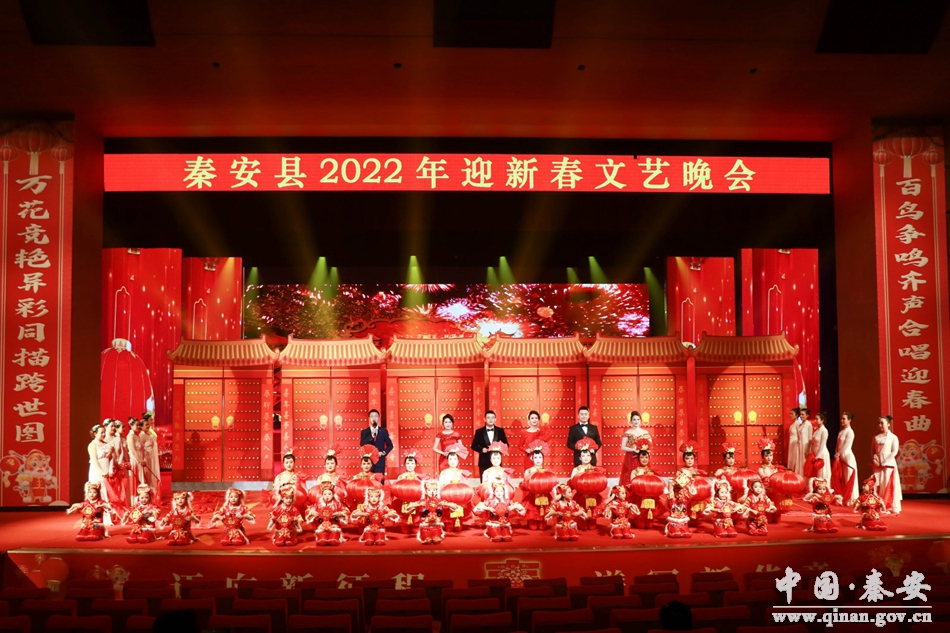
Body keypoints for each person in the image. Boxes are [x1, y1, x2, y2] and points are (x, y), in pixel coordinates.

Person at [407, 479, 460, 545]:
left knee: (436, 538)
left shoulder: (440, 501)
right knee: (427, 538)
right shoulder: (422, 501)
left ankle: (436, 536)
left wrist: (446, 504)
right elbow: (408, 508)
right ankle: (426, 536)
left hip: (437, 526)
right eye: (429, 490)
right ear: (425, 491)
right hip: (425, 526)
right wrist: (418, 504)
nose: (432, 492)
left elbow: (455, 507)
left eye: (434, 490)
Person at [569, 439, 606, 530]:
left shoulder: (595, 469)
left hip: (593, 496)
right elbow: (572, 483)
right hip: (581, 496)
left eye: (588, 455)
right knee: (583, 526)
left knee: (592, 526)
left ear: (591, 457)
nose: (586, 458)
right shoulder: (576, 470)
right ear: (580, 458)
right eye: (583, 456)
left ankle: (592, 520)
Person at [520, 440, 557, 531]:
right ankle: (532, 520)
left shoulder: (547, 471)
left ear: (543, 458)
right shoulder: (528, 471)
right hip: (532, 497)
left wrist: (555, 497)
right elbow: (524, 485)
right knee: (533, 527)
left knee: (542, 527)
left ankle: (542, 520)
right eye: (535, 457)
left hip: (544, 497)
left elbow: (552, 485)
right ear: (532, 458)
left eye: (540, 457)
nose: (538, 459)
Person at [873, 415, 902, 514]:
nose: (880, 425)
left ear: (888, 424)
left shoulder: (893, 437)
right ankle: (880, 505)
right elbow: (873, 451)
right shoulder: (876, 438)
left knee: (888, 483)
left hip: (888, 464)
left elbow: (894, 451)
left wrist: (884, 462)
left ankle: (891, 505)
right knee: (879, 483)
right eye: (879, 423)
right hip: (878, 464)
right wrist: (875, 459)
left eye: (882, 423)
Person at [392, 450, 427, 533]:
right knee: (405, 530)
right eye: (408, 463)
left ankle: (415, 523)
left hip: (416, 504)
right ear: (404, 464)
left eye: (412, 463)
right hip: (403, 503)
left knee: (415, 530)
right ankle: (405, 523)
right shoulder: (401, 477)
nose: (410, 465)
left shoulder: (419, 477)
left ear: (415, 464)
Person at [87, 424, 115, 520]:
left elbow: (111, 458)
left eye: (104, 432)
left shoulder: (107, 444)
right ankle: (96, 516)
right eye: (101, 432)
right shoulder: (92, 445)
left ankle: (108, 517)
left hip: (106, 468)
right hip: (97, 470)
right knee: (99, 491)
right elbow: (94, 460)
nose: (103, 434)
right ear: (95, 434)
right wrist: (102, 472)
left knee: (107, 491)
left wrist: (110, 470)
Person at [471, 410, 509, 477]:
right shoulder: (479, 432)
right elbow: (473, 445)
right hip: (484, 461)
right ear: (485, 419)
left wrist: (499, 448)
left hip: (497, 461)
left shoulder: (500, 431)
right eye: (488, 418)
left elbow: (506, 444)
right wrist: (482, 449)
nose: (490, 419)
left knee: (497, 481)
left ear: (495, 419)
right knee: (484, 481)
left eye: (492, 417)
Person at [833, 412, 859, 506]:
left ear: (849, 420)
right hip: (841, 456)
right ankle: (844, 497)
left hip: (847, 457)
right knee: (843, 478)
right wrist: (836, 453)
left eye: (844, 419)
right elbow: (838, 445)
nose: (842, 420)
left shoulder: (850, 432)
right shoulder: (841, 432)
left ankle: (851, 499)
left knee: (849, 477)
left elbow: (846, 445)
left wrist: (839, 453)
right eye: (841, 418)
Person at [359, 409, 394, 476]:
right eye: (372, 416)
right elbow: (362, 444)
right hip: (368, 463)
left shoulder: (383, 431)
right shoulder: (364, 432)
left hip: (380, 462)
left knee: (379, 481)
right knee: (368, 481)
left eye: (376, 416)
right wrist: (371, 435)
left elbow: (390, 445)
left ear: (378, 418)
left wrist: (383, 453)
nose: (374, 418)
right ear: (369, 418)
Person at [619, 410, 651, 483]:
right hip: (631, 457)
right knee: (631, 476)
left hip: (643, 458)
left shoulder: (645, 432)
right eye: (634, 420)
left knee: (644, 475)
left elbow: (650, 446)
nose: (636, 421)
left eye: (638, 419)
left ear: (640, 420)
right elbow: (623, 447)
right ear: (631, 421)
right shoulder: (628, 432)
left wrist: (645, 450)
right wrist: (633, 449)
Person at [141, 412, 162, 502]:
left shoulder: (150, 431)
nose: (152, 422)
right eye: (150, 420)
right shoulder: (142, 434)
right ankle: (148, 496)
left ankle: (155, 494)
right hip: (147, 457)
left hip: (152, 456)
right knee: (148, 476)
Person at [806, 412, 832, 482]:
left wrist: (818, 456)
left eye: (817, 419)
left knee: (822, 473)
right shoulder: (817, 430)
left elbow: (822, 444)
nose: (815, 421)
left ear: (822, 420)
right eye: (815, 419)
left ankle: (823, 486)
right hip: (815, 453)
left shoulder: (824, 430)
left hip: (821, 454)